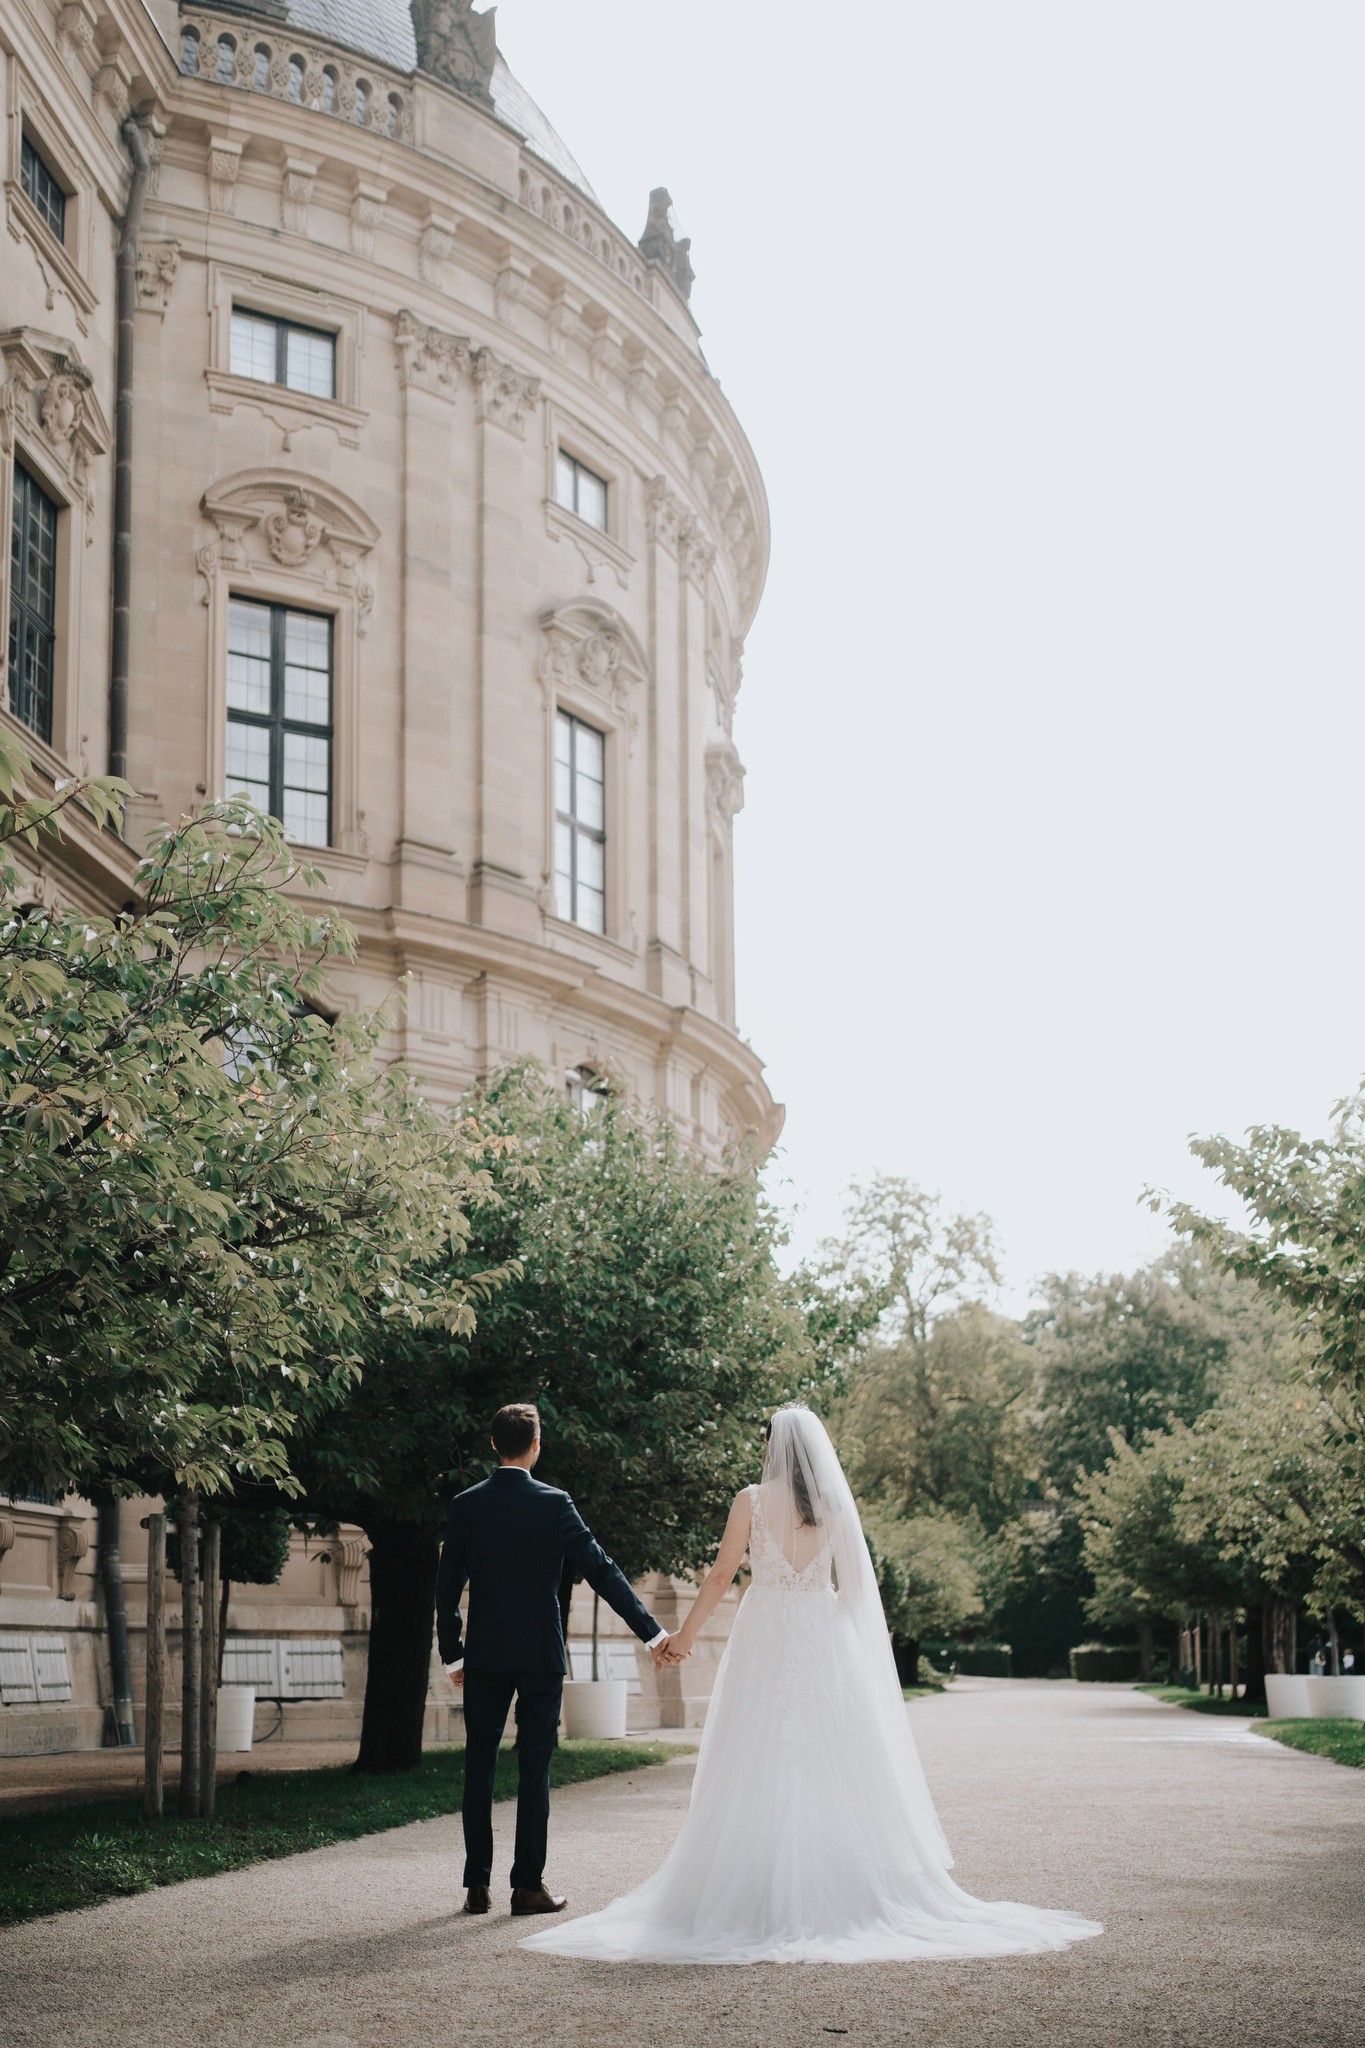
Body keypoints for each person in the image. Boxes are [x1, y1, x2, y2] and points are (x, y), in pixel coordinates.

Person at [521, 1404, 1104, 1965]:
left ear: (772, 1448)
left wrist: (685, 1638)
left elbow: (723, 1574)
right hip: (823, 1633)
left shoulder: (750, 1500)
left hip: (767, 1630)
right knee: (834, 1752)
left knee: (755, 1746)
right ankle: (843, 1886)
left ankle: (753, 1886)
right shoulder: (834, 1505)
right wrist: (843, 1642)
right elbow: (853, 1588)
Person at [435, 1402, 672, 1918]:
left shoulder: (466, 1505)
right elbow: (602, 1571)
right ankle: (527, 1888)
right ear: (536, 1445)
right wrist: (652, 1634)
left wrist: (453, 1654)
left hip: (485, 1654)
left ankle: (477, 1885)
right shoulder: (555, 1503)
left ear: (494, 1444)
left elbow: (447, 1588)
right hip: (541, 1653)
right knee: (534, 1768)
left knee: (479, 1762)